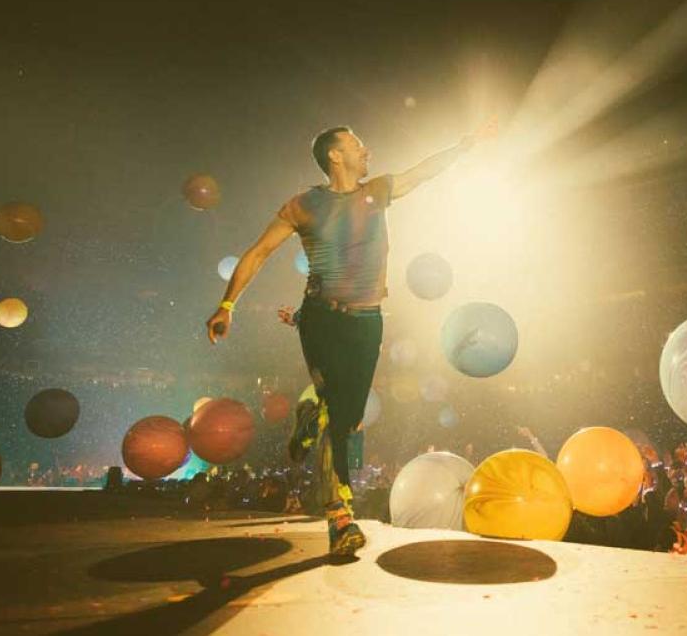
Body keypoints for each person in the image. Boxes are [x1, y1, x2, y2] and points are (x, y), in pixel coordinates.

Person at [206, 121, 495, 555]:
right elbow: (259, 252)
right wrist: (227, 305)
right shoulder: (304, 205)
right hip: (321, 317)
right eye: (358, 144)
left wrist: (463, 145)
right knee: (340, 422)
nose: (367, 150)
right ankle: (340, 517)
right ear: (335, 156)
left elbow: (421, 173)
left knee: (349, 415)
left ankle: (310, 414)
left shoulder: (375, 192)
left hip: (368, 320)